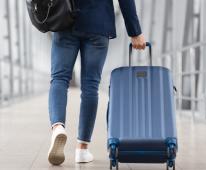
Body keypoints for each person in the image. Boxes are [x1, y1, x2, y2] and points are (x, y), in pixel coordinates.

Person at [47, 0, 146, 165]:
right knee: (90, 86)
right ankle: (82, 149)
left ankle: (58, 127)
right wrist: (134, 31)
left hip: (66, 19)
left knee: (59, 78)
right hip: (98, 22)